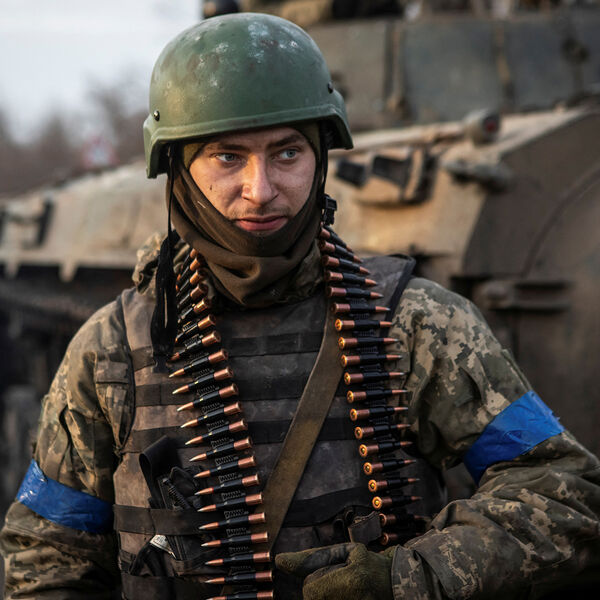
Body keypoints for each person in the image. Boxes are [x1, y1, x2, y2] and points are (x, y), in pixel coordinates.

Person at [1, 12, 599, 600]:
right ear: (179, 167)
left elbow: (564, 490)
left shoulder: (417, 323)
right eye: (227, 157)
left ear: (321, 158)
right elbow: (45, 560)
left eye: (287, 153)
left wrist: (411, 576)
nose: (261, 190)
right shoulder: (109, 349)